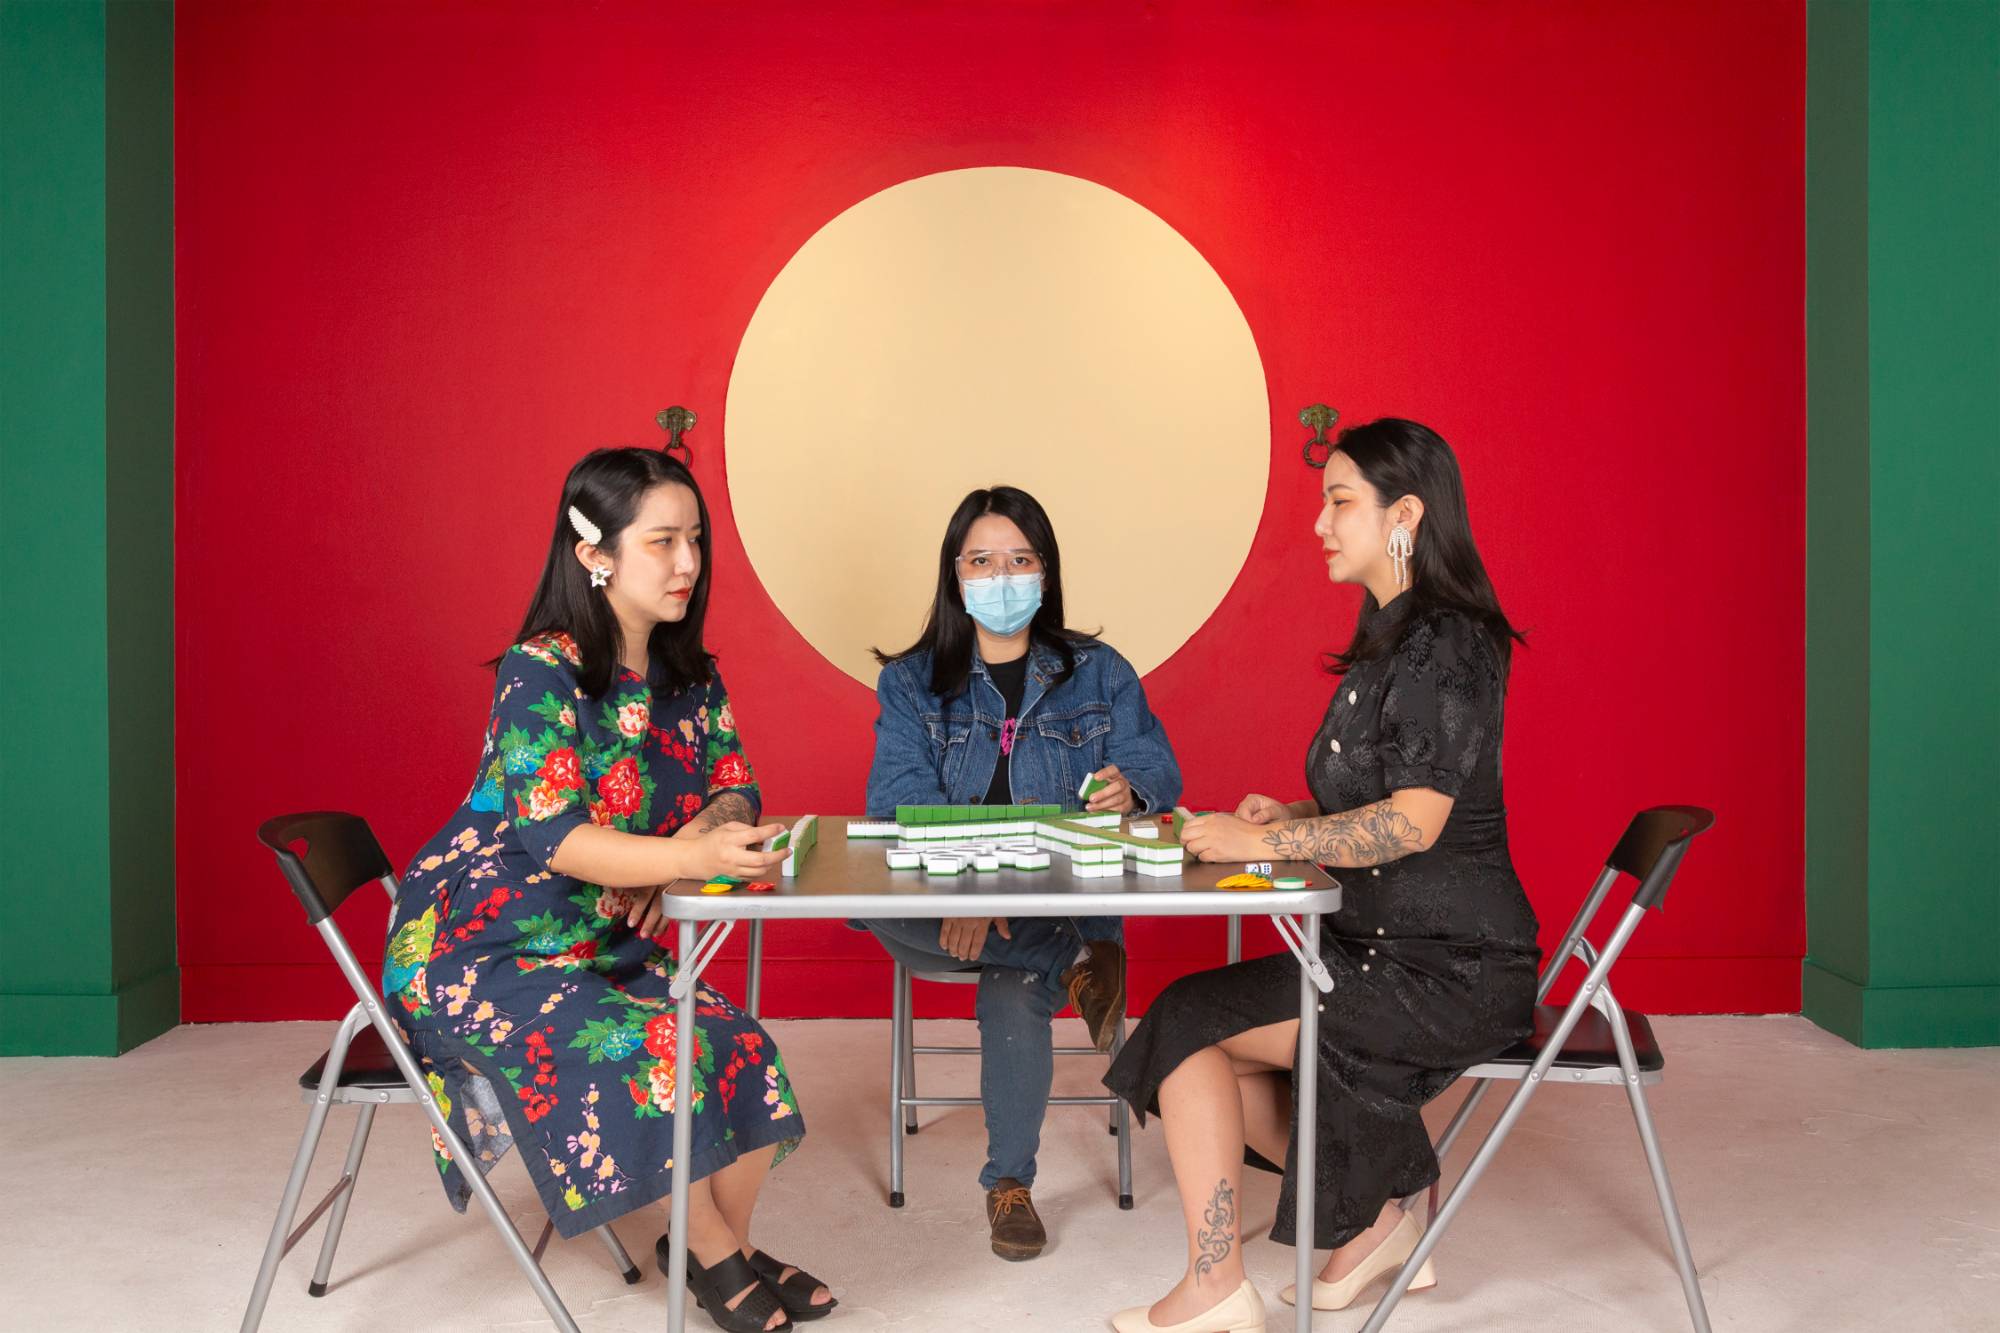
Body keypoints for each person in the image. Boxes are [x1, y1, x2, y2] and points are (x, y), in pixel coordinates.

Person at [381, 447, 835, 1331]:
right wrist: (676, 860)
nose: (689, 564)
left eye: (695, 540)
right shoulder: (539, 670)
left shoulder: (690, 676)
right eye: (663, 541)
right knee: (654, 1052)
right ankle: (719, 1258)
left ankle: (707, 1249)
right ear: (596, 553)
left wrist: (699, 836)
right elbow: (559, 837)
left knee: (741, 1046)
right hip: (479, 947)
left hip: (595, 941)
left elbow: (737, 785)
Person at [1103, 419, 1540, 1333]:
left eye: (1341, 501)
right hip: (1381, 947)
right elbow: (1384, 794)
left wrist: (1257, 848)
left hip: (1448, 969)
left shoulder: (1445, 644)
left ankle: (1217, 1283)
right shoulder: (1394, 637)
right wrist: (1292, 819)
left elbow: (1415, 822)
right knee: (1194, 1020)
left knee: (1184, 1021)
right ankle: (1378, 1212)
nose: (1320, 522)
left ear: (1405, 516)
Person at [857, 484, 1183, 1261]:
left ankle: (1009, 1183)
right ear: (955, 575)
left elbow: (1157, 767)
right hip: (945, 901)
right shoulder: (909, 681)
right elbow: (899, 801)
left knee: (1006, 984)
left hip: (1063, 900)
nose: (1002, 575)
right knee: (860, 897)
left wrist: (1127, 788)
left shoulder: (1100, 671)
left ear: (1046, 571)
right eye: (982, 559)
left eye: (1020, 558)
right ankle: (1073, 967)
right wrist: (968, 887)